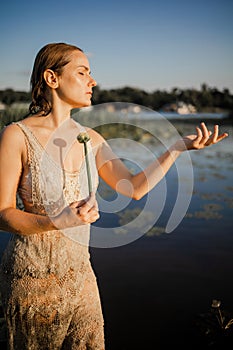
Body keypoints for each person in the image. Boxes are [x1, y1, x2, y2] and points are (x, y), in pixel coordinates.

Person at [0, 42, 228, 350]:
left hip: (81, 277)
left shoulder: (91, 138)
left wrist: (176, 147)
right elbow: (3, 213)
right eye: (82, 72)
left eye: (90, 73)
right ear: (52, 79)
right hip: (31, 281)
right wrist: (59, 220)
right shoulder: (17, 135)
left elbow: (133, 188)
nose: (92, 81)